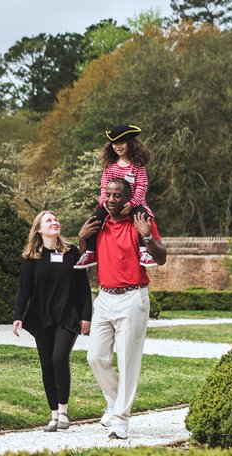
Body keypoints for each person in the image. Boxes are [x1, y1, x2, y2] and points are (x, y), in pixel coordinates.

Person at [77, 177, 167, 440]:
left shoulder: (139, 222)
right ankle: (116, 403)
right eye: (109, 194)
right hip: (104, 297)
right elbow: (86, 255)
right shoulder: (100, 223)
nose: (112, 199)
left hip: (132, 296)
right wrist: (82, 238)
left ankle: (120, 419)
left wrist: (147, 236)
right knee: (95, 357)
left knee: (127, 361)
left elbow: (160, 258)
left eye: (118, 195)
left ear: (128, 198)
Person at [12, 211, 93, 432]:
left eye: (56, 219)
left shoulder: (72, 253)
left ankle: (64, 411)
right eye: (49, 220)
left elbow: (83, 288)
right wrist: (18, 316)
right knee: (47, 364)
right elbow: (24, 290)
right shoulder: (32, 258)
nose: (54, 222)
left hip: (68, 316)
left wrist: (86, 315)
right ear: (39, 229)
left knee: (59, 358)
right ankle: (54, 415)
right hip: (42, 317)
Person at [75, 124, 156, 269]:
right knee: (94, 219)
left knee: (142, 218)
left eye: (121, 142)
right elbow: (104, 186)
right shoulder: (110, 166)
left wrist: (132, 203)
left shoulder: (137, 165)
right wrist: (103, 201)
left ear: (130, 144)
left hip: (134, 204)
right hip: (112, 203)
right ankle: (90, 252)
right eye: (114, 143)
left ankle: (143, 252)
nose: (117, 146)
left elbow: (142, 186)